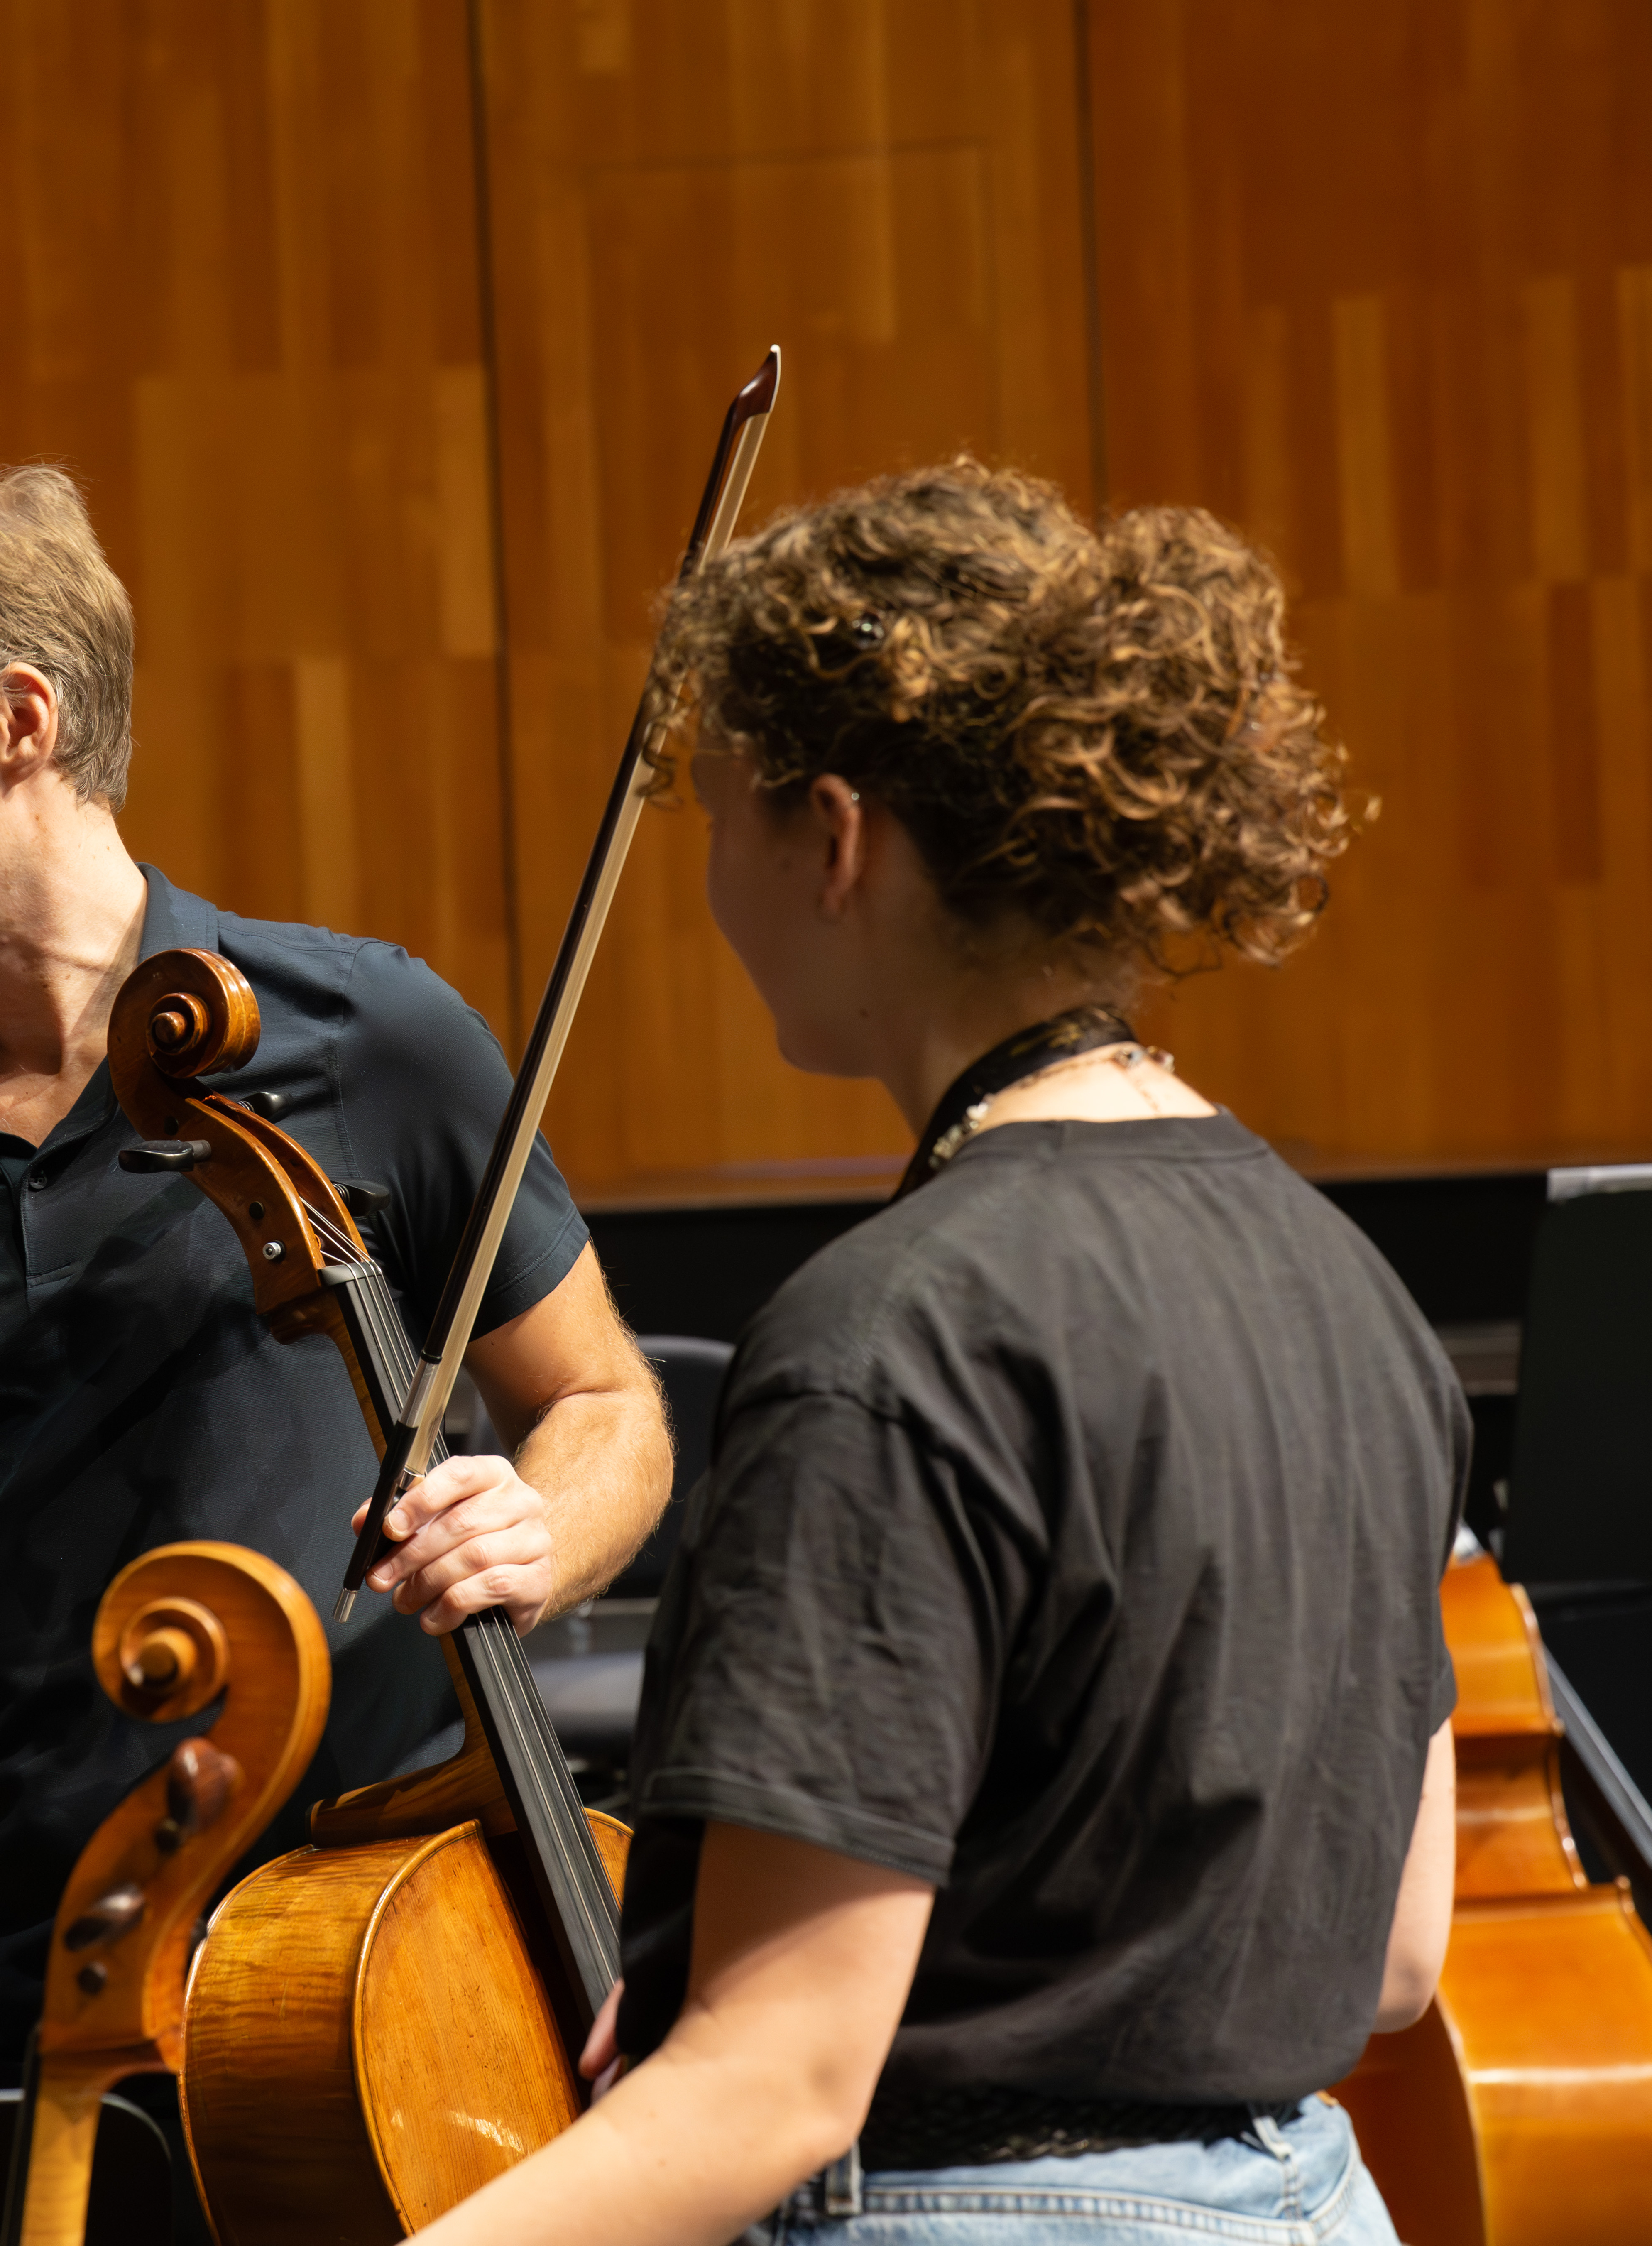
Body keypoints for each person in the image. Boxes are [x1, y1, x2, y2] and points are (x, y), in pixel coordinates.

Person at [408, 460, 1459, 2246]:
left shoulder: (891, 1333)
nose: (713, 880)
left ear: (835, 838)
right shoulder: (1349, 1283)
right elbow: (1389, 1952)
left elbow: (775, 2079)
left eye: (723, 814)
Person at [0, 458, 674, 2105]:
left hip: (375, 1978)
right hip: (12, 2010)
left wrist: (541, 1526)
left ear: (18, 719)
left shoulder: (369, 1037)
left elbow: (604, 1401)